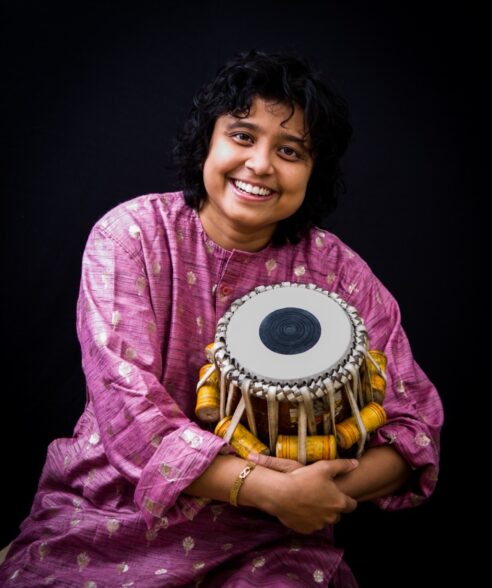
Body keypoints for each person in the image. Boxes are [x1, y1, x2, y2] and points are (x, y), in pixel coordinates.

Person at [0, 49, 443, 587]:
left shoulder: (337, 272)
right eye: (241, 135)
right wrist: (267, 486)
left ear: (313, 171)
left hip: (271, 537)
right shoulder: (131, 237)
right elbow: (129, 417)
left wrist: (317, 494)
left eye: (290, 150)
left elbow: (413, 426)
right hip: (113, 511)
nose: (261, 163)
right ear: (206, 140)